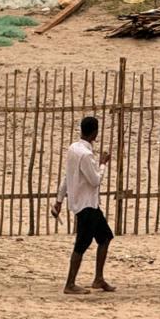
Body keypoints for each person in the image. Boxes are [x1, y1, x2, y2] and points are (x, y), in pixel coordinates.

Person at [52, 116, 115, 295]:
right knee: (81, 245)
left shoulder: (73, 148)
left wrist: (59, 200)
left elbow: (67, 176)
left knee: (105, 237)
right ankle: (70, 284)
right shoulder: (86, 155)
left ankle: (98, 278)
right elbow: (95, 181)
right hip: (86, 206)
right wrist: (103, 164)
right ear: (95, 133)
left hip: (90, 205)